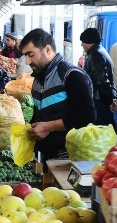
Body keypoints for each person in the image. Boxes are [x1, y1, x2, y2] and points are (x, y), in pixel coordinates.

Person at [20, 28, 96, 160]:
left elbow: (86, 117)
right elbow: (40, 112)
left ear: (47, 50)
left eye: (31, 55)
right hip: (45, 154)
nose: (27, 61)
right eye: (25, 56)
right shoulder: (38, 80)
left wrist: (48, 127)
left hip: (68, 156)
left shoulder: (72, 75)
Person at [80, 27, 117, 125]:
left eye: (83, 42)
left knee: (100, 129)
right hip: (103, 99)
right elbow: (110, 79)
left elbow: (102, 81)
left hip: (99, 100)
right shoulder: (101, 51)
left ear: (89, 42)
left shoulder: (95, 55)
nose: (81, 45)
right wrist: (112, 98)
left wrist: (109, 100)